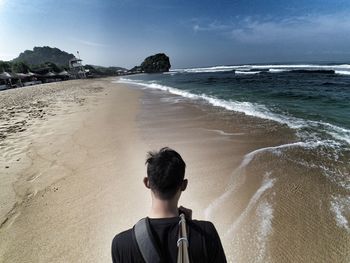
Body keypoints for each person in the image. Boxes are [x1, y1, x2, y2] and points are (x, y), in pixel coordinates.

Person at [111, 147, 227, 263]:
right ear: (184, 185)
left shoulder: (121, 244)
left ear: (147, 182)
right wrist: (191, 227)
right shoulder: (206, 233)